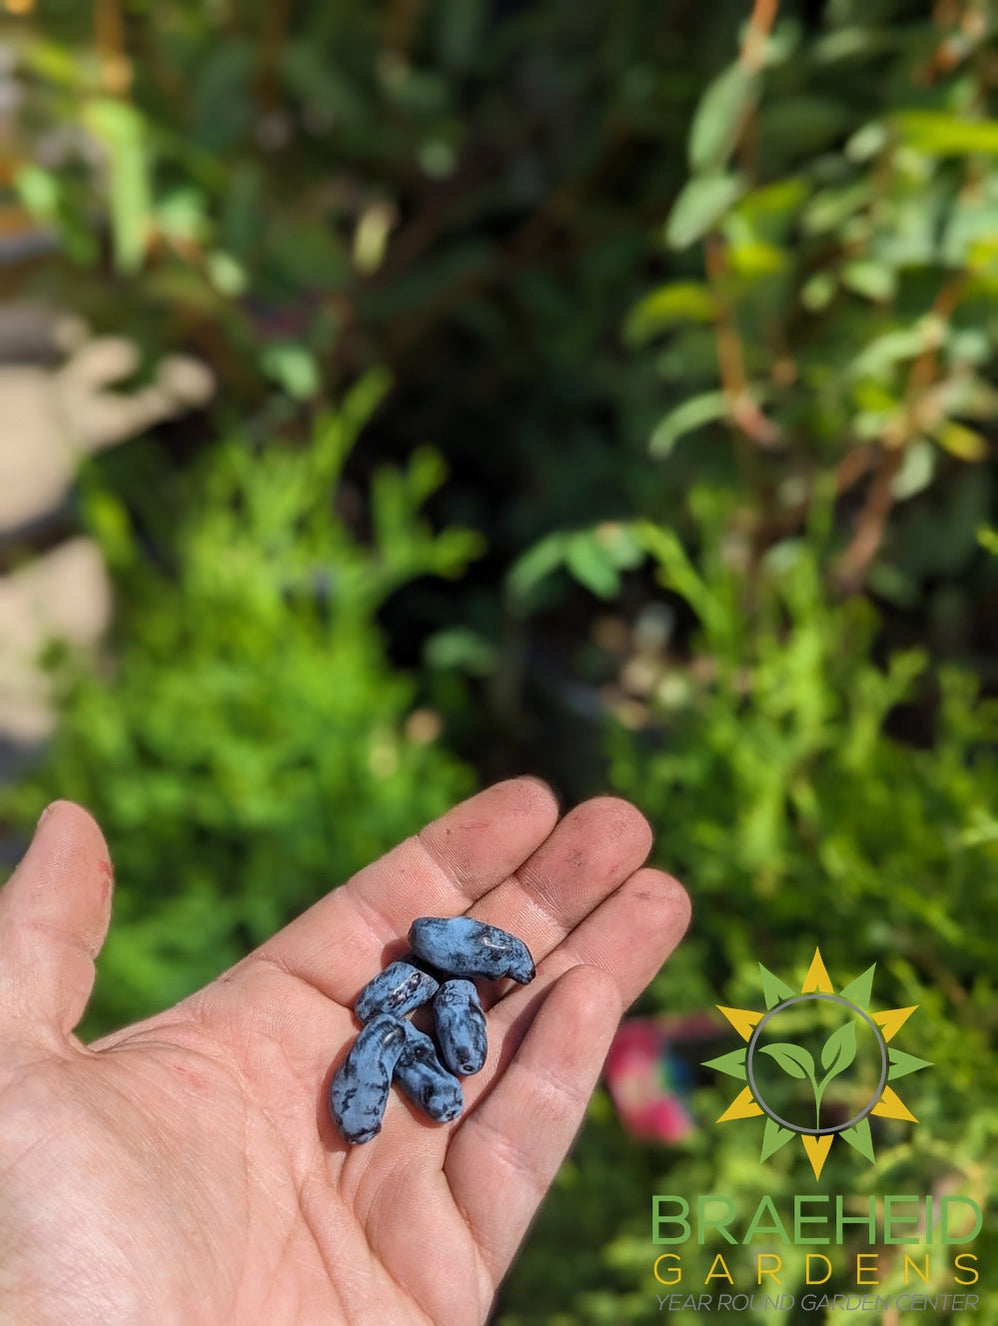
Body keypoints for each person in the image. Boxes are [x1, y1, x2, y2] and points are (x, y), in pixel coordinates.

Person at [0, 777, 690, 1325]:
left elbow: (415, 1023)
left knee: (428, 1041)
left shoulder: (419, 1000)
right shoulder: (408, 1005)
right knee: (413, 1045)